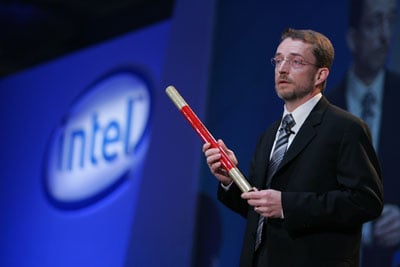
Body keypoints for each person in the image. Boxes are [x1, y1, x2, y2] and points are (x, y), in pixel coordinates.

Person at [202, 28, 383, 267]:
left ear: (320, 75)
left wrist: (287, 205)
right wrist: (229, 179)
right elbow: (259, 211)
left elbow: (365, 201)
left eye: (296, 61)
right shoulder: (268, 136)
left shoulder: (346, 128)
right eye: (278, 60)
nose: (283, 69)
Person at [328, 0, 400, 266]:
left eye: (390, 21)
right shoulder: (323, 111)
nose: (385, 36)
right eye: (373, 23)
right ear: (353, 38)